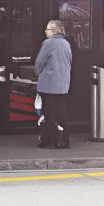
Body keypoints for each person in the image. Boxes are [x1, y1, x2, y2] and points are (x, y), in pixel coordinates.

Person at [34, 19, 73, 149]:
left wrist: (36, 73)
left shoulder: (48, 43)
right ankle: (65, 141)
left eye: (47, 29)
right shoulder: (66, 44)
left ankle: (51, 142)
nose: (45, 31)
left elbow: (39, 63)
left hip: (49, 85)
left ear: (54, 31)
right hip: (63, 85)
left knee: (49, 113)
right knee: (62, 113)